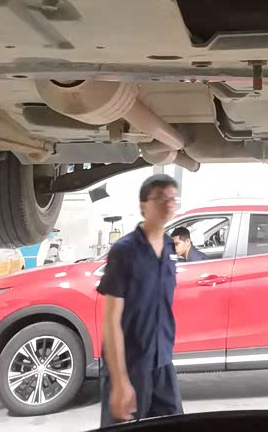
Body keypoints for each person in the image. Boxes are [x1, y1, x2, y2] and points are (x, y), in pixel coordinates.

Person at [97, 173, 182, 426]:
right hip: (130, 366)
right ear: (143, 206)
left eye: (173, 198)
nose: (168, 204)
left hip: (162, 363)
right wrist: (120, 381)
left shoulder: (169, 246)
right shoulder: (124, 251)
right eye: (160, 198)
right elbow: (111, 320)